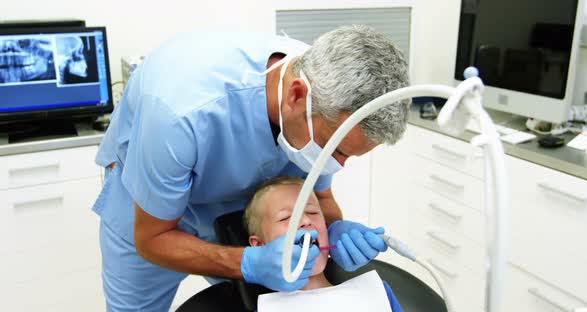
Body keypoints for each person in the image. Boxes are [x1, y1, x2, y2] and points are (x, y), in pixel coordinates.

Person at [92, 24, 410, 311]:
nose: (336, 165)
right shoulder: (179, 114)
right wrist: (247, 263)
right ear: (296, 96)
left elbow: (321, 199)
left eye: (348, 156)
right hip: (148, 207)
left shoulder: (324, 88)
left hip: (254, 204)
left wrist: (336, 228)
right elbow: (153, 237)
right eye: (335, 150)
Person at [243, 176, 404, 311]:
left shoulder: (377, 293)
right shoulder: (267, 309)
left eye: (312, 212)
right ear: (259, 246)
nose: (306, 220)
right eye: (286, 218)